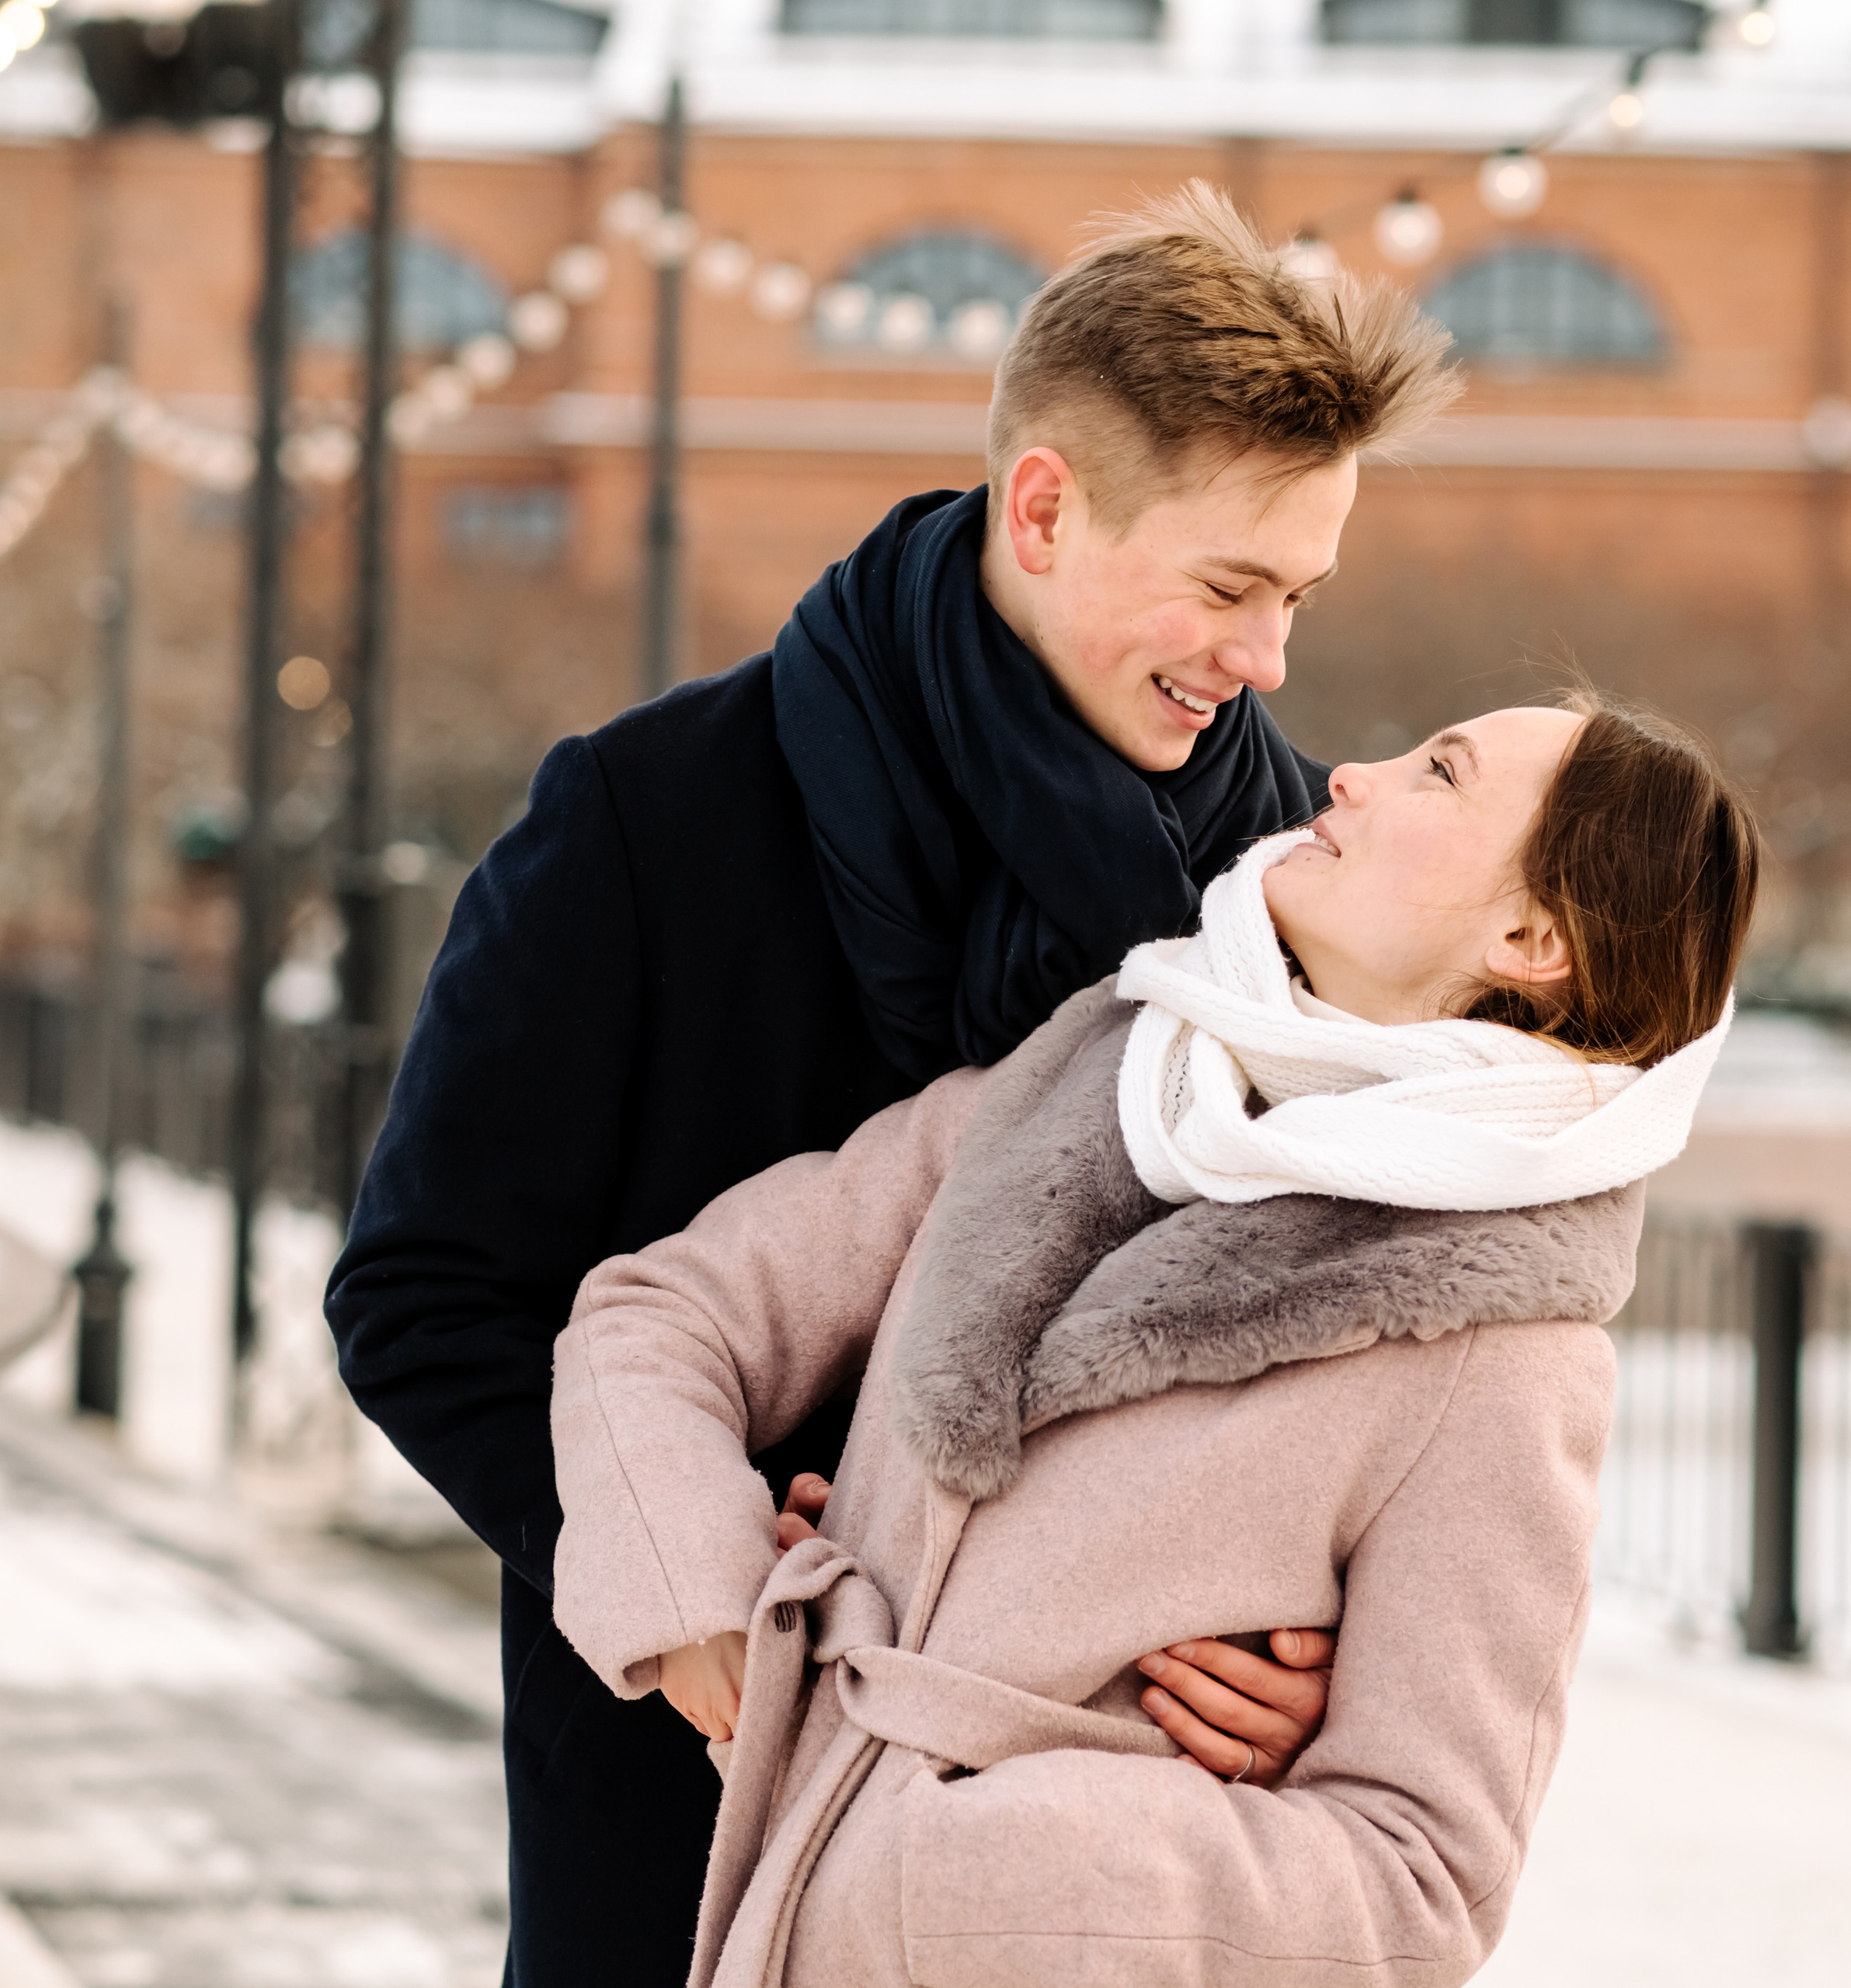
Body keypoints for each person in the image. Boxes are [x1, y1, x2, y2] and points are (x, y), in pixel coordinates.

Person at [325, 182, 1460, 1985]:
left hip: (1111, 1839)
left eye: (1299, 594)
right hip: (691, 1802)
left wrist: (1322, 1643)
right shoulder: (647, 818)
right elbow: (421, 1294)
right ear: (1040, 507)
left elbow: (1381, 1357)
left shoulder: (1292, 884)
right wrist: (663, 1565)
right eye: (1228, 584)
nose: (1264, 660)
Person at [548, 694, 1761, 1988]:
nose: (1353, 772)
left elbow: (1423, 1880)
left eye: (1441, 774)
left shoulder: (1501, 1348)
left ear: (1531, 939)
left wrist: (959, 1867)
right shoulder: (1078, 1080)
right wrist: (702, 1601)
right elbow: (660, 1315)